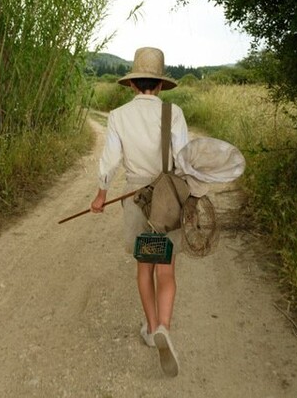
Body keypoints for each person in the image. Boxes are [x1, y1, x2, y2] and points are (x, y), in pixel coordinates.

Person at [90, 47, 188, 377]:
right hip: (167, 200)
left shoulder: (118, 116)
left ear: (132, 85)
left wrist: (101, 194)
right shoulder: (173, 114)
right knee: (167, 272)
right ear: (160, 85)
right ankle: (165, 327)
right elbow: (185, 161)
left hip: (136, 200)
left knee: (145, 269)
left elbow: (110, 161)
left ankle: (150, 328)